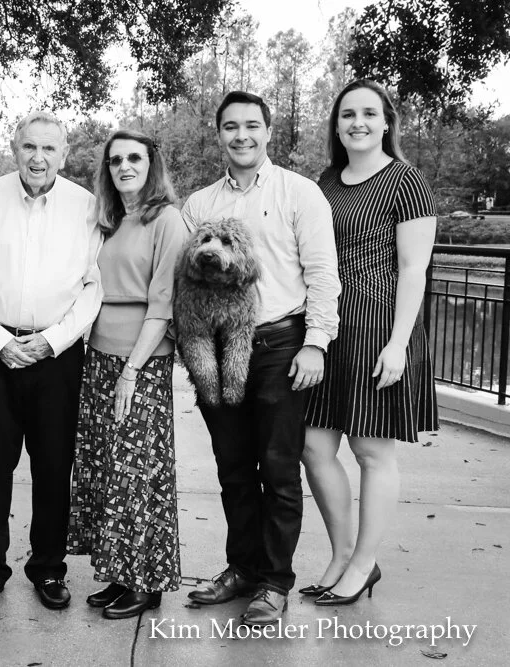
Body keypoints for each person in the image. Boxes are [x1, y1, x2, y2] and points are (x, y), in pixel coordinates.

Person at [181, 91, 341, 626]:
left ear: (268, 132)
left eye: (252, 125)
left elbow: (322, 273)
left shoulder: (299, 192)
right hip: (217, 348)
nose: (241, 135)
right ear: (219, 134)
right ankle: (241, 569)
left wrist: (316, 342)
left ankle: (274, 582)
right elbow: (185, 280)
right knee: (233, 469)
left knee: (277, 469)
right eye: (231, 126)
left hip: (279, 344)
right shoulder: (199, 205)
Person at [302, 79, 438, 606]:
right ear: (337, 126)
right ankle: (341, 555)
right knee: (313, 446)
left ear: (386, 123)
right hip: (329, 326)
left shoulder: (406, 180)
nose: (357, 122)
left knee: (370, 451)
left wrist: (399, 343)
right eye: (347, 114)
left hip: (380, 326)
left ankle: (363, 563)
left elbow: (413, 269)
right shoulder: (325, 181)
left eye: (368, 113)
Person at [0, 111, 103, 611]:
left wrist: (52, 341)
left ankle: (48, 567)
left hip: (58, 357)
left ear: (64, 154)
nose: (38, 158)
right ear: (15, 149)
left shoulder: (86, 206)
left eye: (49, 148)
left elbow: (93, 287)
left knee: (53, 466)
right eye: (29, 147)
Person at [67, 129, 189, 619]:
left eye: (134, 158)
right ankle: (120, 574)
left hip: (141, 360)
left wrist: (131, 370)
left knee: (139, 473)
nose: (124, 167)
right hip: (98, 355)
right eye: (115, 160)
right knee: (109, 470)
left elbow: (165, 303)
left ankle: (146, 581)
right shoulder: (110, 219)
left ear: (151, 164)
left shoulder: (167, 220)